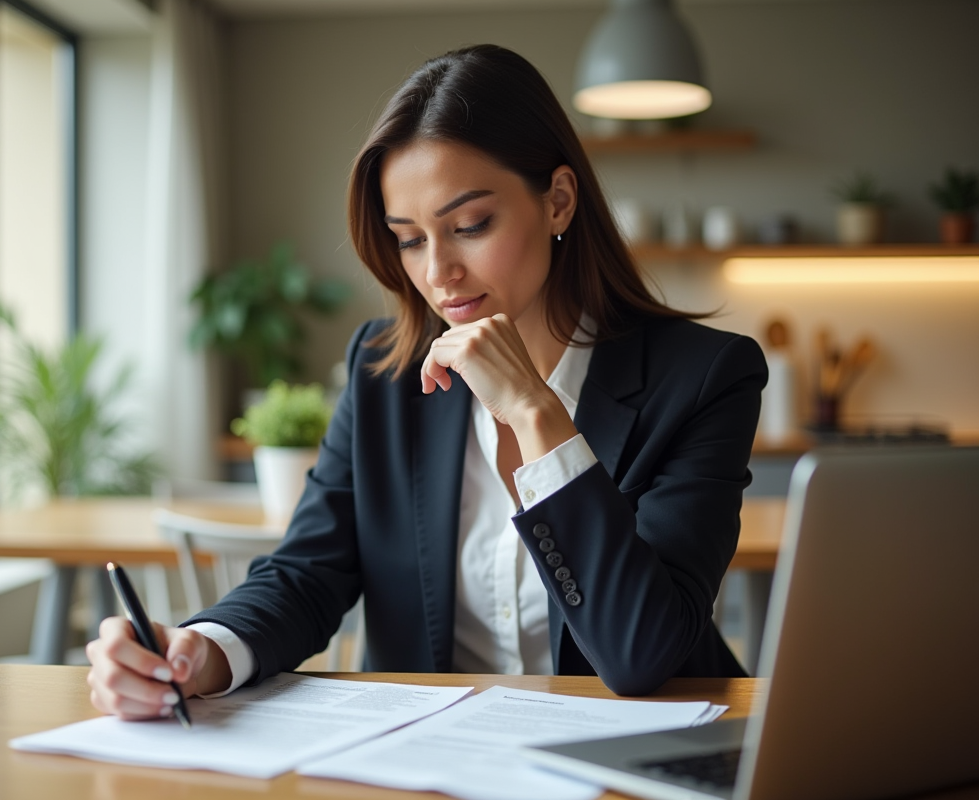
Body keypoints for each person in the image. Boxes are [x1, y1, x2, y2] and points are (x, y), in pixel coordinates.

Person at [86, 44, 766, 719]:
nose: (438, 271)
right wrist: (199, 651)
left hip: (639, 757)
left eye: (470, 225)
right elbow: (308, 572)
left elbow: (642, 654)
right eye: (409, 238)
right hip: (435, 760)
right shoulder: (384, 369)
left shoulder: (703, 377)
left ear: (558, 201)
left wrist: (536, 411)